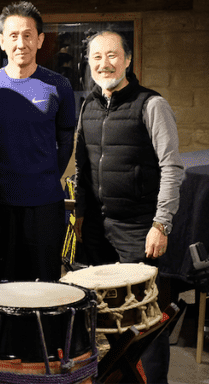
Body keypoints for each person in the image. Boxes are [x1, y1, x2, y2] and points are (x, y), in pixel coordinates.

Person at [74, 30, 185, 384]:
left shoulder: (151, 104)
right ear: (88, 62)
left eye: (112, 55)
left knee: (146, 319)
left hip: (139, 228)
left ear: (128, 60)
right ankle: (122, 376)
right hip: (96, 229)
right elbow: (82, 168)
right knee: (105, 313)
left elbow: (171, 167)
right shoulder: (88, 106)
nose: (104, 64)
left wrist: (161, 223)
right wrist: (79, 217)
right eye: (96, 57)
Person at [0, 1, 76, 283]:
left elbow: (66, 138)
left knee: (46, 284)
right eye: (14, 35)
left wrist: (45, 174)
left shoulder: (59, 86)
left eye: (28, 35)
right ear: (1, 41)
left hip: (45, 202)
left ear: (40, 39)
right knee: (5, 284)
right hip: (0, 202)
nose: (21, 43)